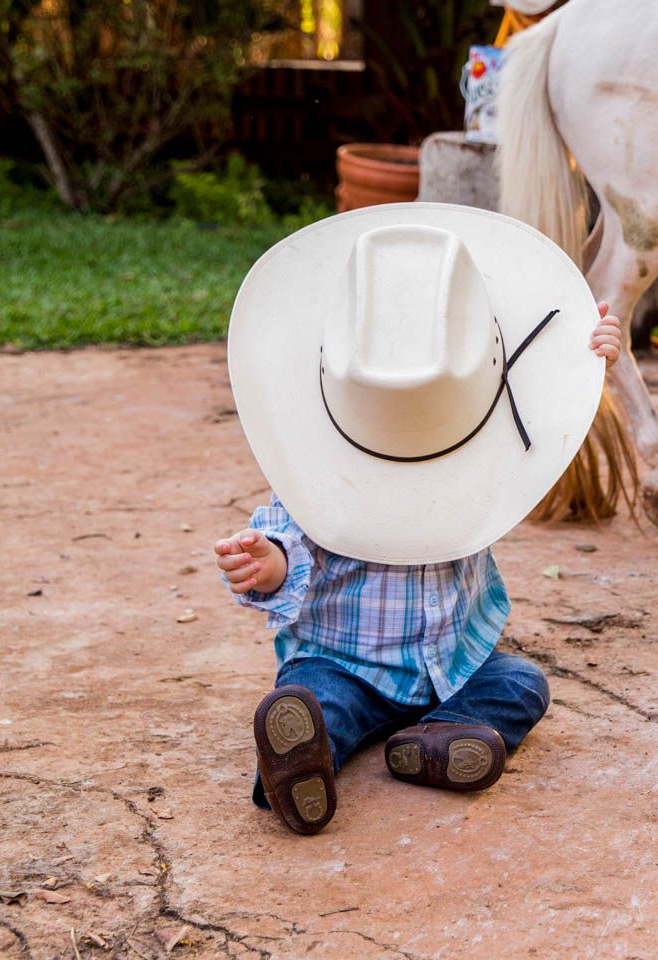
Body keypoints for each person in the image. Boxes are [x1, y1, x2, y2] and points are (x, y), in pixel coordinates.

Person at [215, 206, 631, 835]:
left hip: (454, 664)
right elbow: (284, 539)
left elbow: (552, 424)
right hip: (345, 663)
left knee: (521, 683)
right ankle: (297, 763)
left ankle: (439, 739)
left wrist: (588, 357)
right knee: (317, 706)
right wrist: (268, 567)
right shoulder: (318, 470)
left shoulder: (477, 432)